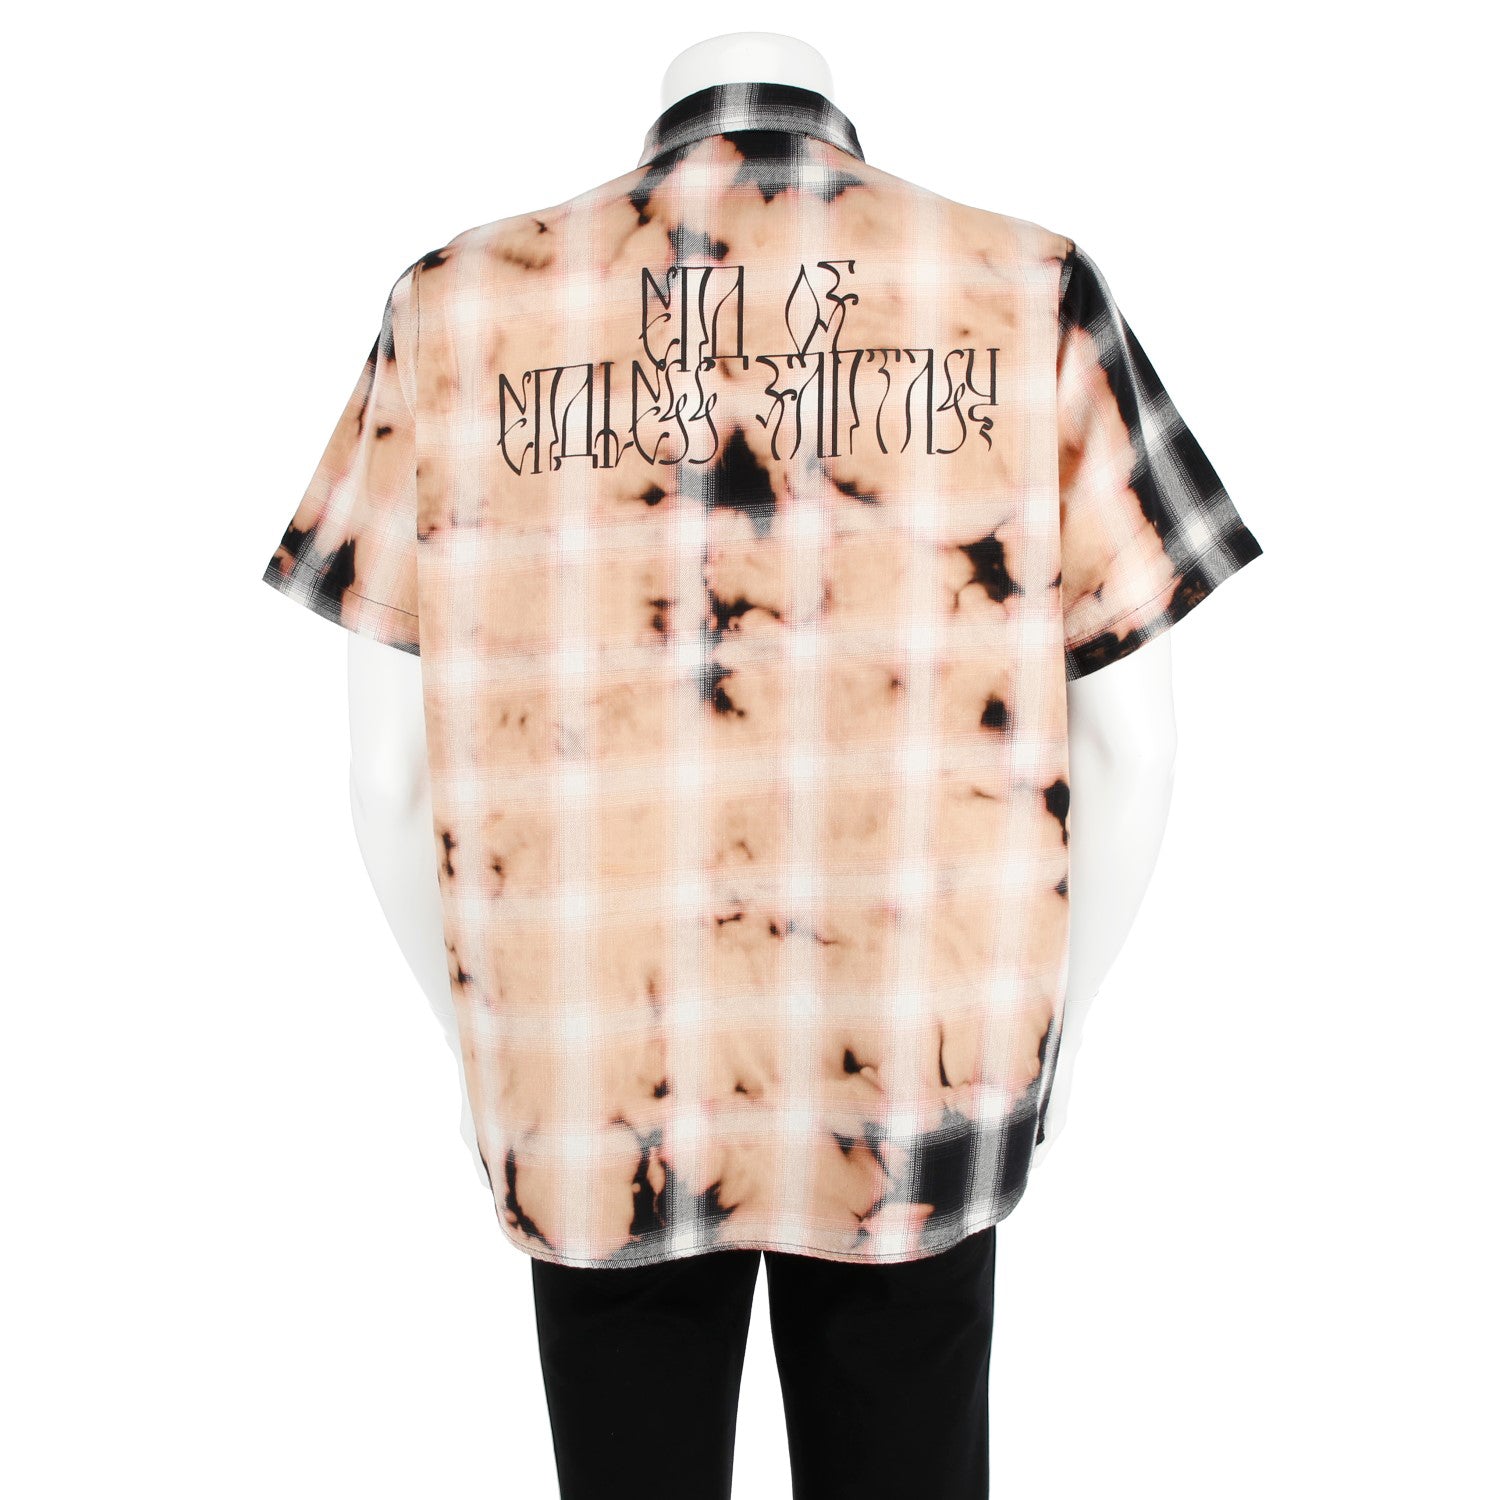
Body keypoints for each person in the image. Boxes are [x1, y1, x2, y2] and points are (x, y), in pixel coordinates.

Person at [261, 33, 1262, 1500]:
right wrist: (1053, 1035)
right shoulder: (1028, 287)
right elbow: (1135, 739)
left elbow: (386, 776)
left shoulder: (455, 305)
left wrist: (492, 1051)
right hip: (921, 1055)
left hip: (589, 1072)